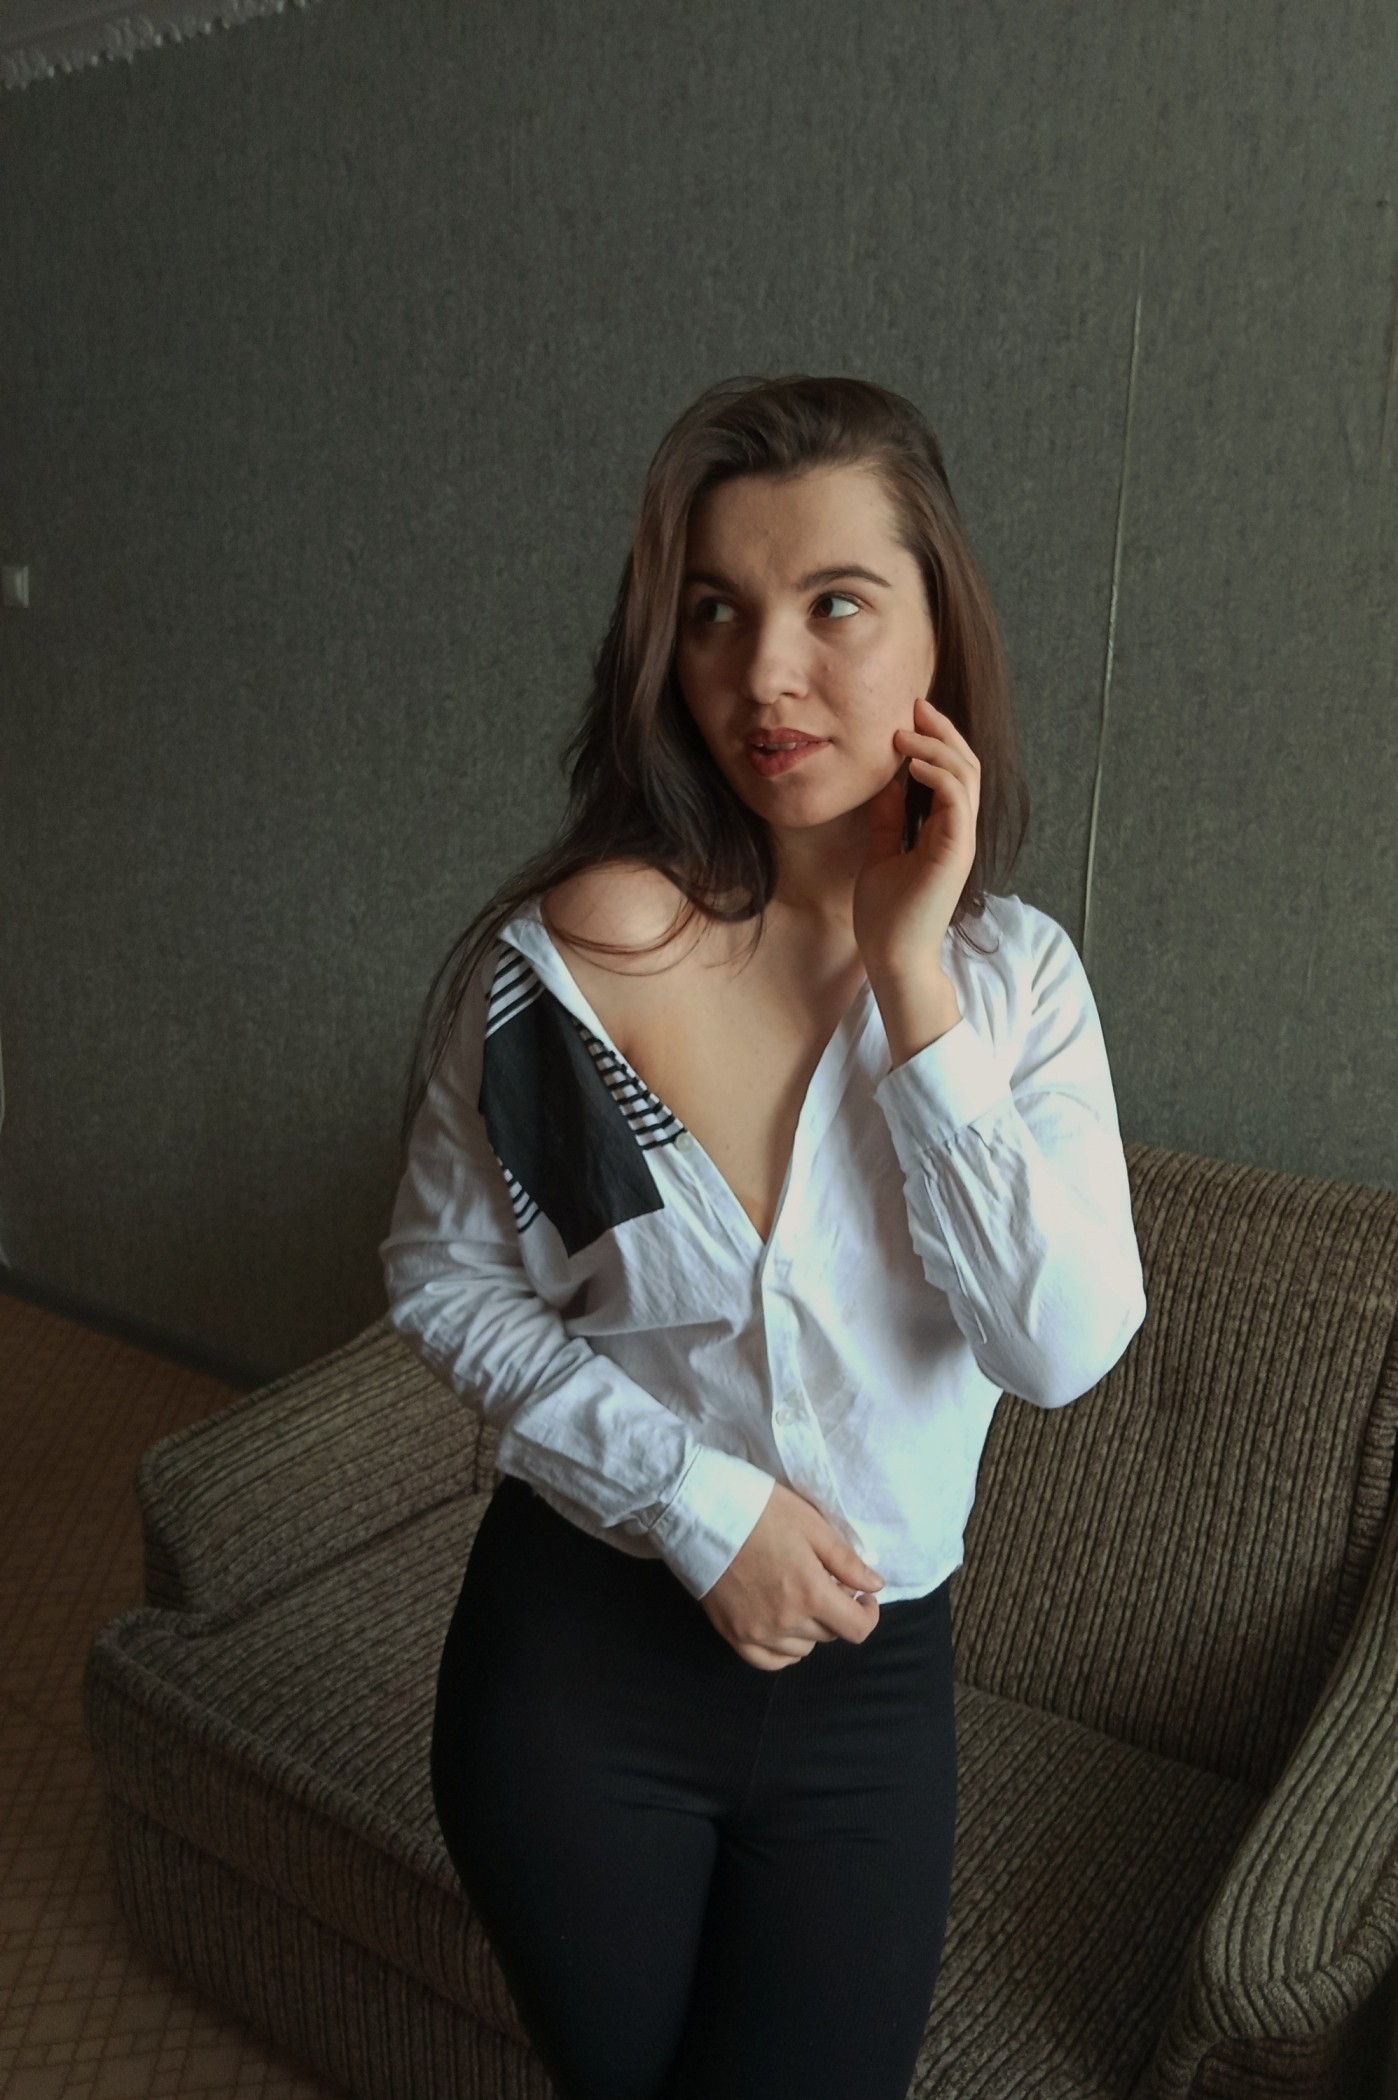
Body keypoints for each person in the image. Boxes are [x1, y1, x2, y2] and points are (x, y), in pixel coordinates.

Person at [378, 373, 1148, 2100]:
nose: (762, 676)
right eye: (715, 612)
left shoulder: (1012, 988)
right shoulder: (581, 962)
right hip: (577, 1669)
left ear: (939, 630)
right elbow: (446, 1272)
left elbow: (1058, 1349)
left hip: (869, 1704)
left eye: (835, 604)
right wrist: (694, 1503)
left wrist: (909, 980)